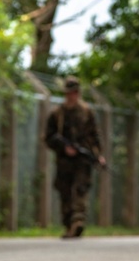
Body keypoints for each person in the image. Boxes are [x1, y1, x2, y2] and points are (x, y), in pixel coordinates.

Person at [45, 76, 105, 239]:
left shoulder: (86, 112)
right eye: (70, 92)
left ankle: (78, 222)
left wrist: (99, 155)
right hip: (64, 160)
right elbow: (49, 138)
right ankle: (68, 225)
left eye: (75, 92)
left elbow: (95, 136)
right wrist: (64, 147)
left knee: (80, 189)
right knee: (65, 192)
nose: (73, 95)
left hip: (82, 159)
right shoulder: (57, 114)